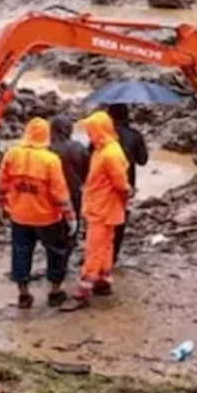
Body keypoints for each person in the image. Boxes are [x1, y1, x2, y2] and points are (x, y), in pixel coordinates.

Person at [0, 117, 75, 309]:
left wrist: (2, 206)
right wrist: (70, 216)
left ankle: (24, 294)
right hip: (47, 218)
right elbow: (59, 192)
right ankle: (54, 291)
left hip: (20, 216)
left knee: (21, 252)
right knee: (56, 252)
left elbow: (1, 184)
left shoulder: (12, 155)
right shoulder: (50, 160)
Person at [71, 111, 130, 306]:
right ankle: (103, 280)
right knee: (105, 245)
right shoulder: (104, 149)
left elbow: (121, 185)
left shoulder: (109, 154)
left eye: (91, 131)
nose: (89, 135)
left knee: (94, 248)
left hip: (102, 207)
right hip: (103, 205)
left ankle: (84, 288)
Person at [106, 104, 148, 263]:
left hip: (104, 184)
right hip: (126, 184)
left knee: (103, 219)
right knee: (120, 218)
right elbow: (143, 160)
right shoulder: (134, 135)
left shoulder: (103, 135)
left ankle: (102, 252)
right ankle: (114, 255)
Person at [49, 115, 91, 228]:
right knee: (73, 221)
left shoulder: (47, 149)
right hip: (74, 190)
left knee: (53, 223)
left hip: (51, 193)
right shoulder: (79, 148)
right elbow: (88, 171)